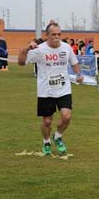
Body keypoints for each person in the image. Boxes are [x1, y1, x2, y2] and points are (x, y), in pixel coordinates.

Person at [18, 23, 84, 156]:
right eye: (53, 34)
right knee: (47, 121)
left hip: (63, 89)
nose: (57, 37)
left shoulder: (66, 48)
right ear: (47, 35)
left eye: (59, 34)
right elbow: (21, 62)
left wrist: (79, 75)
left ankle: (58, 137)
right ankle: (46, 141)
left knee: (66, 117)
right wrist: (26, 49)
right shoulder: (40, 50)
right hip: (46, 91)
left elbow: (74, 63)